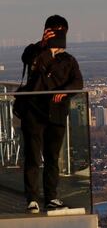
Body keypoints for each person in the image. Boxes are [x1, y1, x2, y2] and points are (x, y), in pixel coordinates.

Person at [18, 15, 83, 213]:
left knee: (52, 157)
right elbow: (27, 59)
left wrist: (64, 92)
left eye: (60, 30)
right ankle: (32, 198)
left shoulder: (69, 60)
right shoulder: (36, 53)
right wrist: (43, 44)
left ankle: (51, 197)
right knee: (33, 156)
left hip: (56, 113)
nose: (57, 32)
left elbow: (78, 83)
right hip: (33, 112)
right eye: (53, 29)